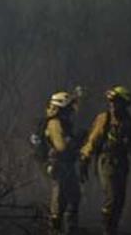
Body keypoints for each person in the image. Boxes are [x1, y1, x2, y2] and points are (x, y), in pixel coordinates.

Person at [79, 85, 131, 235]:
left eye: (116, 102)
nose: (112, 105)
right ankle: (107, 230)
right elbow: (93, 140)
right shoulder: (104, 118)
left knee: (120, 199)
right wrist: (85, 159)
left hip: (122, 162)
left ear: (124, 104)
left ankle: (113, 228)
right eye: (111, 102)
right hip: (106, 160)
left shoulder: (130, 123)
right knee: (112, 196)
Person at [45, 90, 82, 235]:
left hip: (66, 165)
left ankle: (69, 230)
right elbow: (61, 147)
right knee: (59, 200)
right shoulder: (54, 123)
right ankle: (55, 231)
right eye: (70, 107)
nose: (73, 110)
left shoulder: (64, 123)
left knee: (73, 197)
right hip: (60, 165)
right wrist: (76, 140)